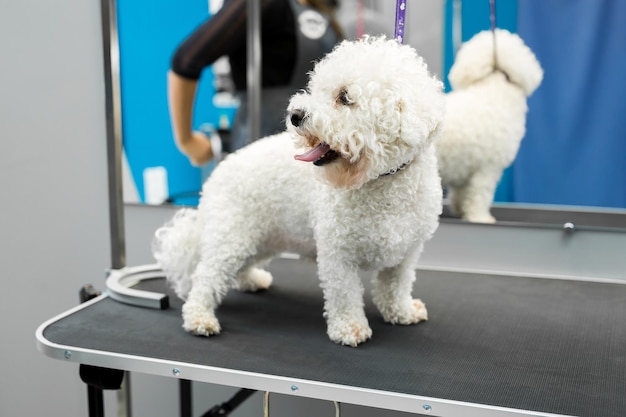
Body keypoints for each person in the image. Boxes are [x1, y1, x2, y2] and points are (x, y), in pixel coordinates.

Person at [168, 0, 343, 166]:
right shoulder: (262, 4)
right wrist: (187, 142)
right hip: (260, 146)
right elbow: (186, 61)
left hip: (314, 146)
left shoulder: (321, 7)